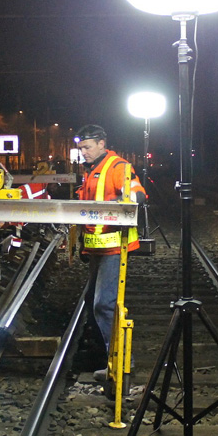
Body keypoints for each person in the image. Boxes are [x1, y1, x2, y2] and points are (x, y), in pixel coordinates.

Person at [74, 124, 146, 381]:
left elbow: (137, 195)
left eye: (88, 147)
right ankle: (108, 357)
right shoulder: (91, 170)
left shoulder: (117, 167)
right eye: (81, 148)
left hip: (114, 247)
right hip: (97, 249)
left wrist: (122, 201)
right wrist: (84, 245)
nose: (83, 152)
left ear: (102, 144)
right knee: (93, 303)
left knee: (104, 305)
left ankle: (122, 363)